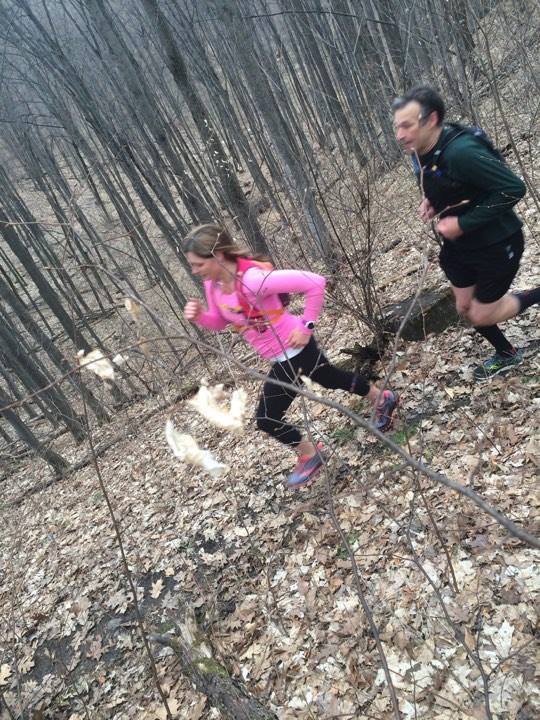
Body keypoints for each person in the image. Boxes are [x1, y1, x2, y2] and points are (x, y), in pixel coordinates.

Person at [182, 224, 398, 489]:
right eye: (192, 265)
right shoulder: (212, 286)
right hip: (282, 354)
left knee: (267, 418)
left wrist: (306, 328)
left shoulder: (252, 280)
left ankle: (310, 454)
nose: (195, 271)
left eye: (198, 264)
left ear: (217, 255)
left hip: (293, 351)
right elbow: (219, 322)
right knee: (330, 378)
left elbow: (315, 283)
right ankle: (382, 398)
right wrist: (200, 316)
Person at [392, 86, 540, 381]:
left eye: (407, 125)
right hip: (459, 247)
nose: (400, 135)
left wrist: (463, 223)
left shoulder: (462, 152)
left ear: (431, 120)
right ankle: (506, 353)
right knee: (463, 306)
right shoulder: (419, 152)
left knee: (480, 314)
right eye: (397, 127)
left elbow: (513, 188)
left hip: (497, 243)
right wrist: (433, 202)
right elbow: (453, 186)